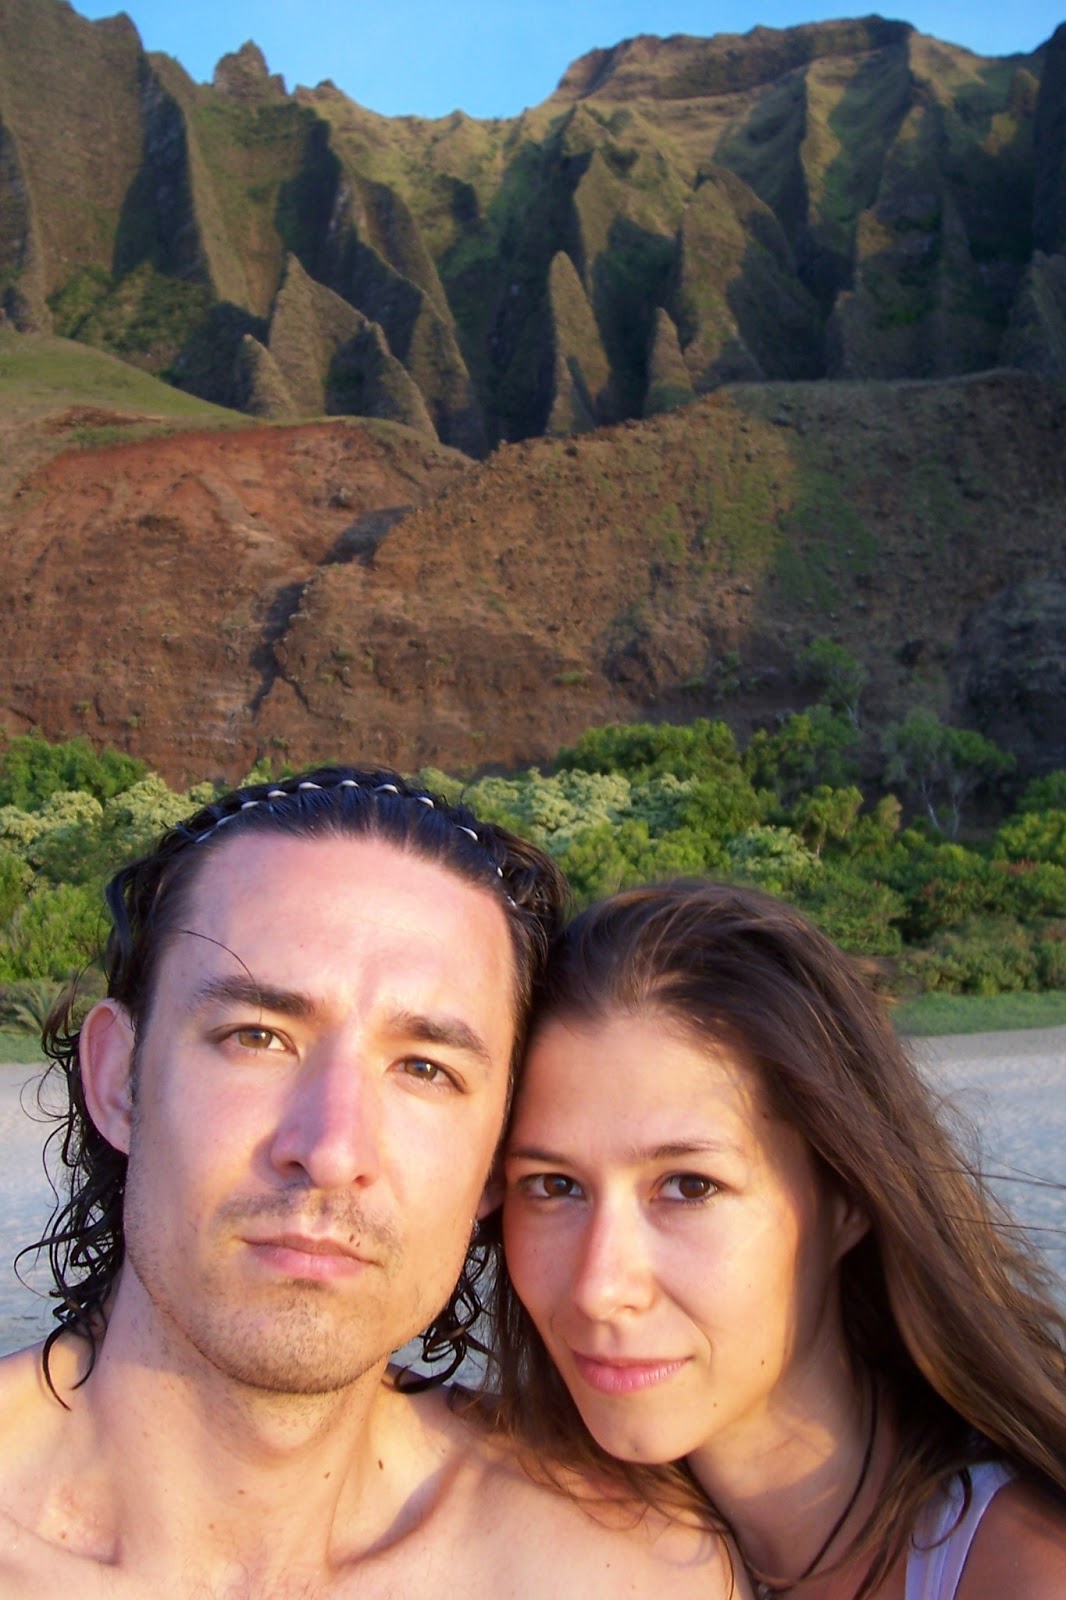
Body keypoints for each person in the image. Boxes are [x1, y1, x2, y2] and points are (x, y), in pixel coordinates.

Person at [0, 772, 744, 1598]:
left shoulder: (622, 1572)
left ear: (497, 1157)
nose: (331, 1149)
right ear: (117, 1080)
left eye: (424, 1068)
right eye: (257, 1036)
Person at [497, 878, 1066, 1599]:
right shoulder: (524, 1529)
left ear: (848, 1197)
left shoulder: (1020, 1571)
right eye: (554, 1185)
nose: (600, 1287)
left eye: (689, 1186)